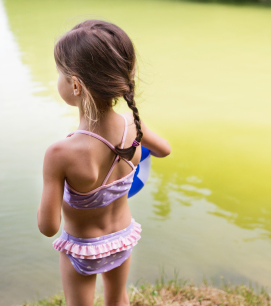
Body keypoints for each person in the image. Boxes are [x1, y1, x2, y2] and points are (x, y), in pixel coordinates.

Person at [37, 20, 171, 306]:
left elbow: (48, 226)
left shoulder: (60, 153)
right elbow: (164, 151)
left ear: (75, 84)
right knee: (117, 300)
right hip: (123, 237)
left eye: (59, 74)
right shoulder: (133, 126)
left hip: (83, 248)